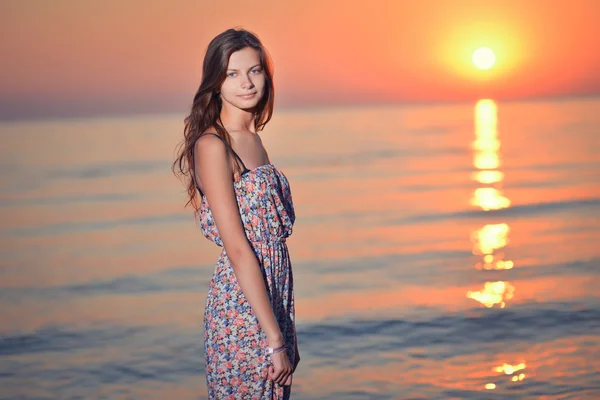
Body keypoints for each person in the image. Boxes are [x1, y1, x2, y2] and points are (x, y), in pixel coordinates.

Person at [172, 28, 299, 399]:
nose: (246, 83)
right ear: (216, 82)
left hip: (272, 297)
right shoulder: (213, 145)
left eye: (255, 71)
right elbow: (239, 249)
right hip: (242, 309)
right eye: (232, 74)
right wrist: (274, 338)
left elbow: (270, 245)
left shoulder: (254, 139)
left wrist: (284, 325)